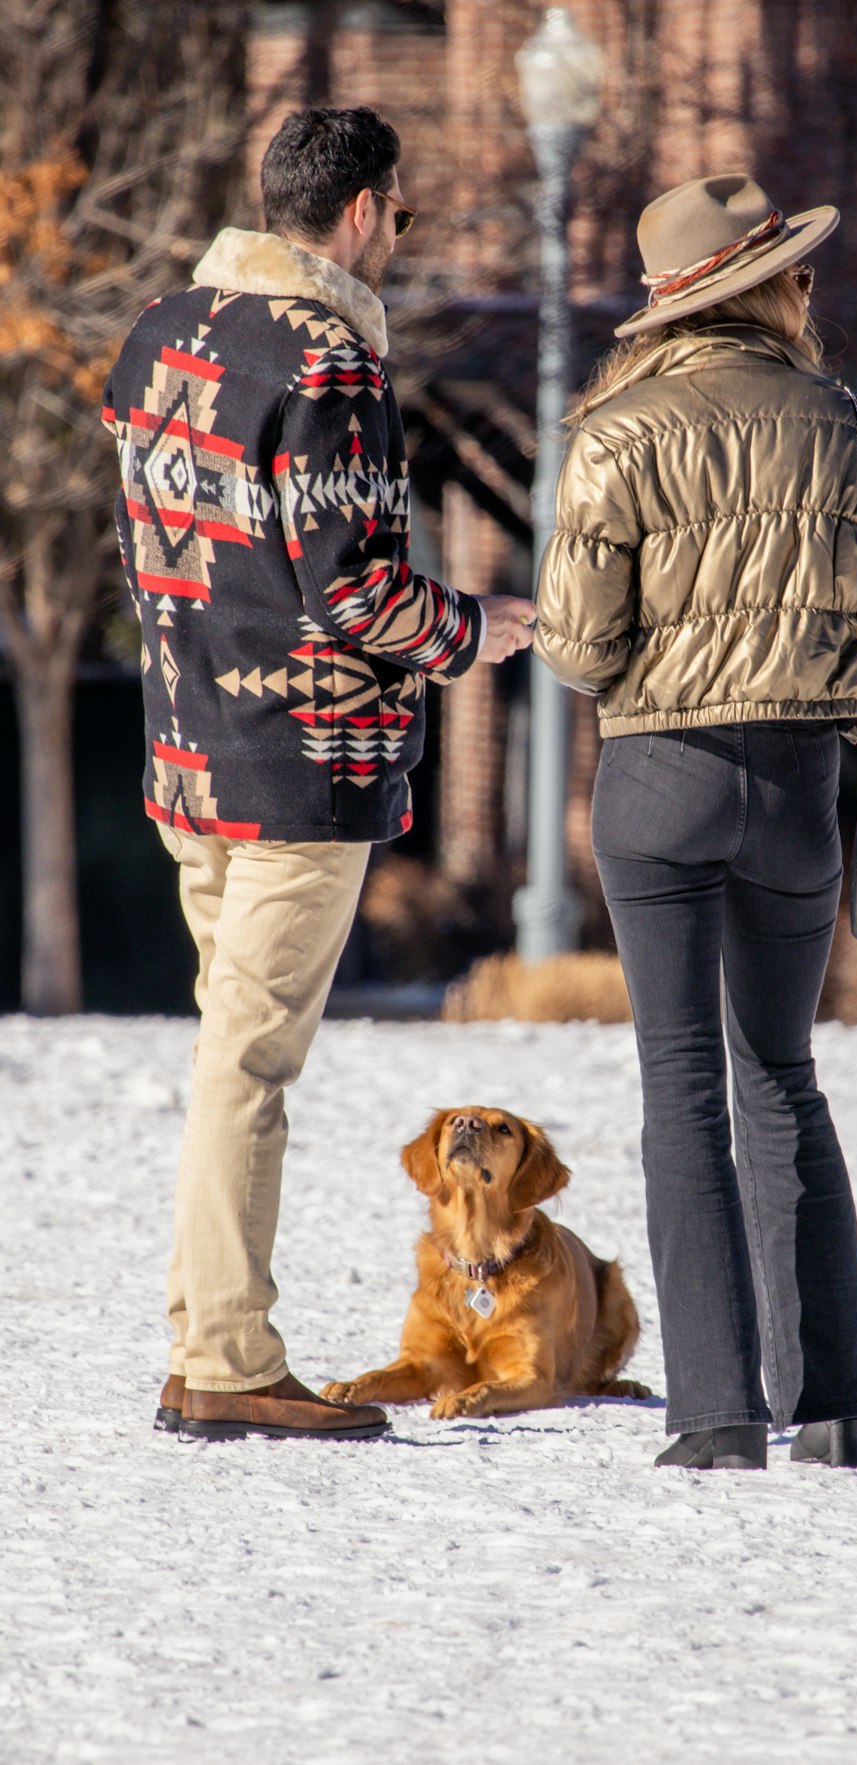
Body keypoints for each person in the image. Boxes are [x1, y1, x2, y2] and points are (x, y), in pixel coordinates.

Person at [102, 106, 535, 1443]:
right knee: (252, 1063)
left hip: (186, 749)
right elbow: (349, 589)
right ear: (359, 213)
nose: (399, 239)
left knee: (231, 1053)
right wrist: (472, 630)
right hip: (297, 771)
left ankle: (206, 1338)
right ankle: (226, 1358)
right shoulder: (331, 362)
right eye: (401, 216)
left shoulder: (157, 334)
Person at [533, 174, 857, 1470]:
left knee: (682, 1082)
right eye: (798, 271)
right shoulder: (854, 426)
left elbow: (579, 647)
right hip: (801, 788)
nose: (812, 288)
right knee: (784, 1075)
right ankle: (834, 1405)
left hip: (660, 776)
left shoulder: (614, 435)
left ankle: (716, 1412)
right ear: (760, 288)